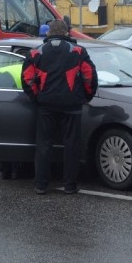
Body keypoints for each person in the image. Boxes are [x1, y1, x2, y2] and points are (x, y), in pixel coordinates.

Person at [21, 19, 97, 195]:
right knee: (71, 146)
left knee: (43, 145)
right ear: (67, 33)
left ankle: (41, 185)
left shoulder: (35, 53)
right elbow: (89, 77)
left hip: (46, 105)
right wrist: (86, 96)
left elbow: (27, 78)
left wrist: (37, 98)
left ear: (48, 33)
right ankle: (70, 185)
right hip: (72, 106)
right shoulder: (78, 51)